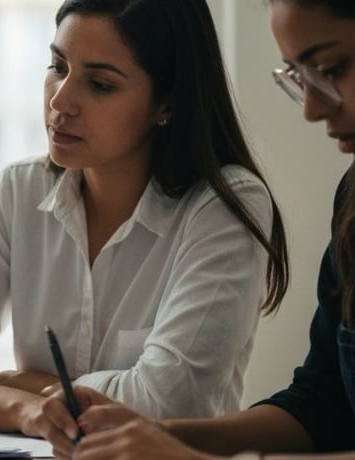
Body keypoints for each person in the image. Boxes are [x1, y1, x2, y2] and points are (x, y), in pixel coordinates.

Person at [0, 0, 291, 439]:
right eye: (57, 67)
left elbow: (170, 402)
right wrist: (25, 411)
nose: (61, 101)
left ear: (167, 103)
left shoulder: (224, 205)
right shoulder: (19, 191)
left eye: (99, 84)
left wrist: (24, 384)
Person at [33, 0, 355, 459]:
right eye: (299, 77)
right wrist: (154, 436)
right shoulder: (353, 201)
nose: (311, 108)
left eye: (332, 68)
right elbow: (326, 407)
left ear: (167, 102)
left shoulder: (224, 205)